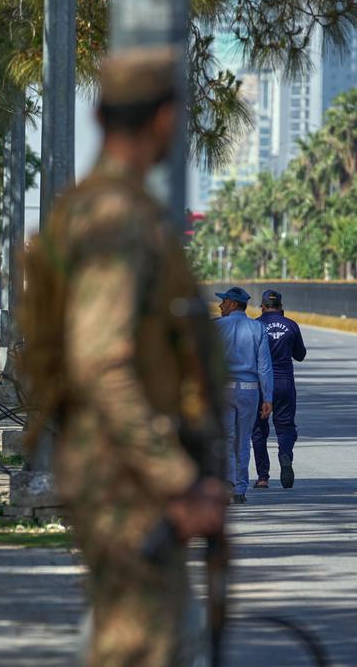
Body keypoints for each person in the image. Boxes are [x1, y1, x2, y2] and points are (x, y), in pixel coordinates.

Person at [19, 46, 228, 667]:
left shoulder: (93, 208)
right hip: (126, 479)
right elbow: (101, 361)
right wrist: (178, 480)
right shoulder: (116, 218)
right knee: (140, 650)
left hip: (117, 469)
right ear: (164, 119)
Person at [215, 286, 273, 504]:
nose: (220, 306)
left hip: (223, 390)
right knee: (243, 440)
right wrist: (268, 397)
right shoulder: (258, 328)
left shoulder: (217, 327)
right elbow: (264, 367)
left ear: (232, 304)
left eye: (223, 302)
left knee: (226, 438)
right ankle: (240, 489)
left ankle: (228, 481)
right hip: (249, 391)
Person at [251, 289, 306, 489]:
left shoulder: (255, 325)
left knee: (258, 429)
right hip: (285, 383)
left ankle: (263, 477)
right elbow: (300, 355)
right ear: (281, 307)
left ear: (262, 306)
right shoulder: (291, 325)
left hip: (261, 384)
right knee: (286, 427)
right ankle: (285, 454)